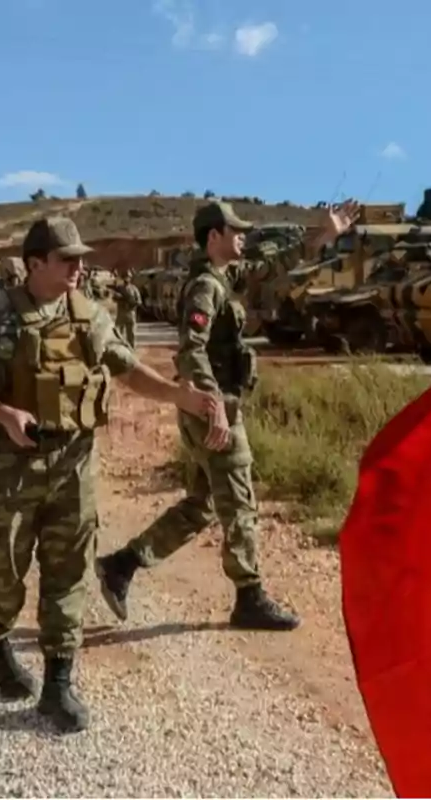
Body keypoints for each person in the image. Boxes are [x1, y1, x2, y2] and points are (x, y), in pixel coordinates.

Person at [0, 215, 221, 733]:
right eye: (68, 259)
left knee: (68, 571)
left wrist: (182, 395)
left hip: (75, 464)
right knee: (1, 575)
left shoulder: (91, 315)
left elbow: (127, 368)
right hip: (10, 467)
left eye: (81, 258)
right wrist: (2, 412)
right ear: (35, 263)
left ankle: (58, 684)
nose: (79, 267)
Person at [94, 199, 360, 631]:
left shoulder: (222, 276)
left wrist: (322, 235)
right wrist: (215, 407)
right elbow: (190, 349)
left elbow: (268, 267)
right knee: (239, 501)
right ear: (213, 237)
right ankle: (249, 596)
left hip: (208, 408)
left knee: (202, 504)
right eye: (234, 230)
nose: (242, 236)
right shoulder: (205, 287)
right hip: (212, 410)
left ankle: (122, 565)